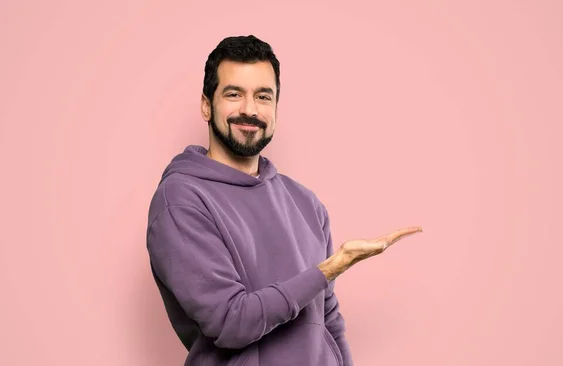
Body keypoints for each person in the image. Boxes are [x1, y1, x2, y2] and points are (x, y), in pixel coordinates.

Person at [146, 35, 422, 366]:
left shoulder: (305, 202)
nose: (249, 109)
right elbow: (230, 323)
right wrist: (331, 268)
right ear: (207, 105)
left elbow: (328, 320)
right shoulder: (181, 200)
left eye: (263, 96)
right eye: (234, 94)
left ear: (276, 107)